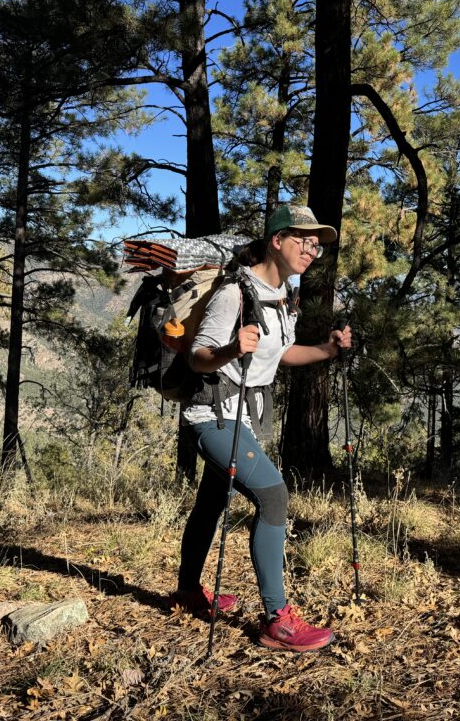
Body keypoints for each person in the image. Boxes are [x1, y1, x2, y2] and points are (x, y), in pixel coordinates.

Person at [170, 205, 352, 653]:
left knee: (211, 502)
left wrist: (327, 351)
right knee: (273, 495)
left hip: (240, 417)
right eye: (303, 240)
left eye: (316, 244)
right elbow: (198, 356)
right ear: (276, 240)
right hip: (211, 416)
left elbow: (281, 355)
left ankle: (188, 591)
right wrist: (231, 349)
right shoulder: (235, 293)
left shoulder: (283, 294)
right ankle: (278, 620)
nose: (311, 250)